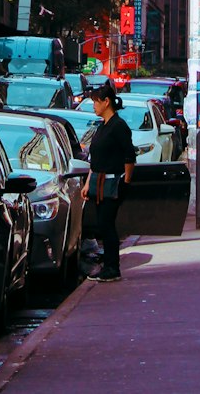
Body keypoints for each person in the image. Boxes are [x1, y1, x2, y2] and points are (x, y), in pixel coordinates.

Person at [82, 81, 136, 280]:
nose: (94, 106)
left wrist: (126, 181)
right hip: (99, 182)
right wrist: (89, 183)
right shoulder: (102, 126)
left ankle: (113, 268)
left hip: (113, 183)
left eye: (96, 102)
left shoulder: (118, 126)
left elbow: (130, 156)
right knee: (102, 225)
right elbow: (94, 160)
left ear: (106, 102)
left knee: (107, 224)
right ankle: (108, 265)